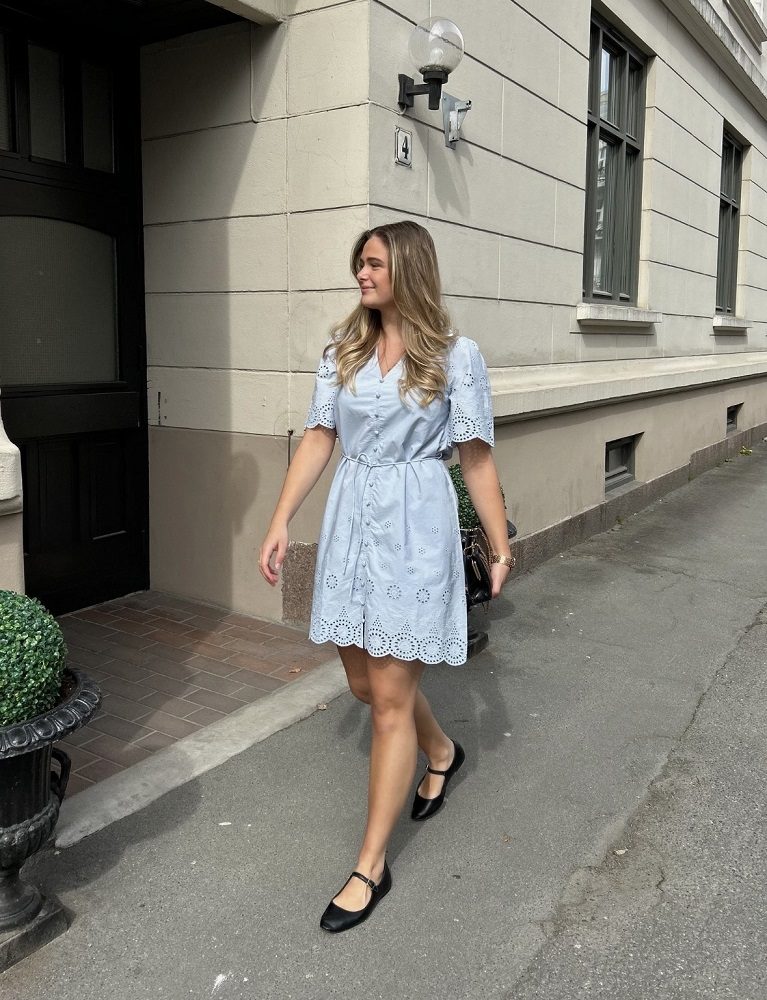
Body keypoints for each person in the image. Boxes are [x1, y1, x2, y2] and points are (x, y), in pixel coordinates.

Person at [259, 220, 512, 933]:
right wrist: (280, 519)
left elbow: (476, 458)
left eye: (372, 263)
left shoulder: (456, 356)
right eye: (359, 264)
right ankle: (442, 750)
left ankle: (370, 865)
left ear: (406, 268)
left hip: (415, 530)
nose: (361, 275)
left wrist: (499, 546)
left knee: (390, 700)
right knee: (365, 685)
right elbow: (320, 437)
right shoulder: (342, 351)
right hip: (351, 526)